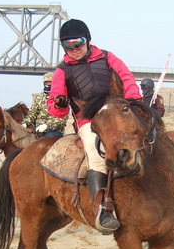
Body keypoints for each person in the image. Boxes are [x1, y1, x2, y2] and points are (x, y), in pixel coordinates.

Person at [47, 19, 143, 234]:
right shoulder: (62, 71)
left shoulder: (108, 57)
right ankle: (102, 210)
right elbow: (56, 109)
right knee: (95, 151)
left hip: (116, 113)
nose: (73, 49)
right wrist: (59, 102)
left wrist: (134, 99)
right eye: (67, 45)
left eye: (77, 43)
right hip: (88, 121)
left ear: (87, 40)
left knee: (149, 135)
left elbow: (127, 79)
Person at [23, 72, 68, 137]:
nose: (48, 84)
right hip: (38, 129)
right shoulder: (39, 97)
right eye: (46, 82)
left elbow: (62, 119)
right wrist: (25, 123)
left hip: (53, 130)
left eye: (50, 82)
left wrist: (46, 125)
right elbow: (33, 113)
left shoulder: (61, 98)